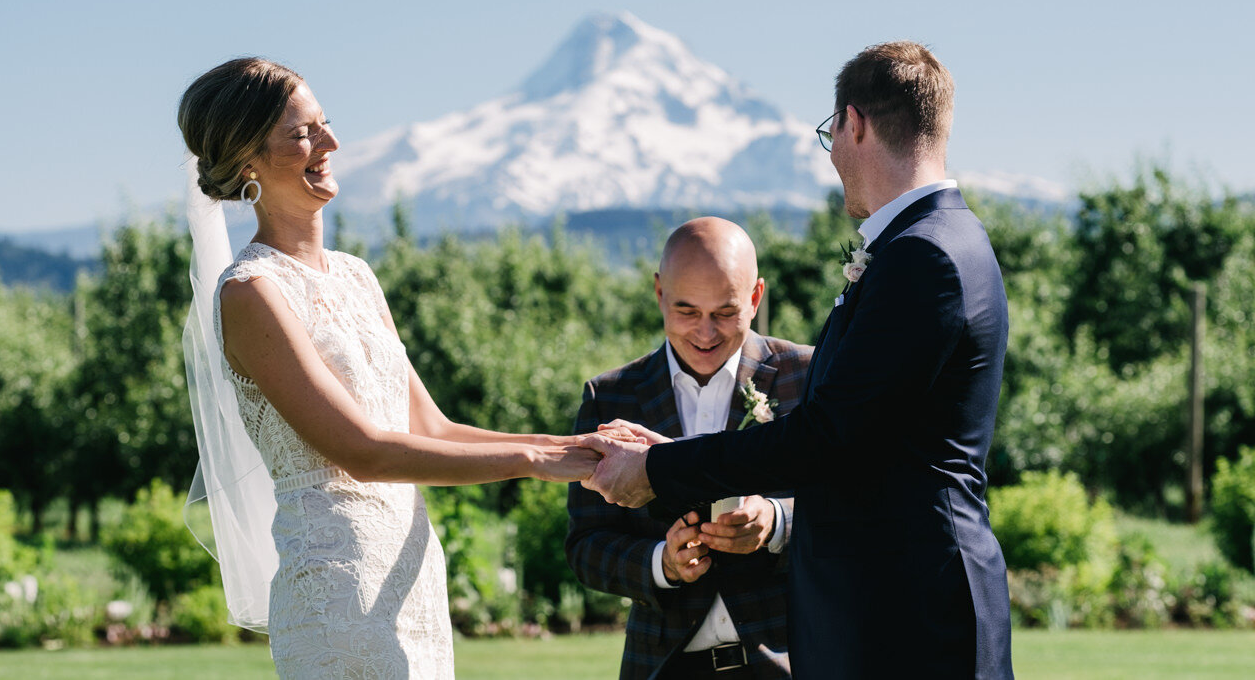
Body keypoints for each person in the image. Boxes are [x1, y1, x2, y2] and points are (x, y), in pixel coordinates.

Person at [584, 42, 1015, 679]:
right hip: (888, 603)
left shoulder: (924, 256)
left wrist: (659, 467)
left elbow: (826, 437)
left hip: (907, 613)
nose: (834, 155)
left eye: (830, 135)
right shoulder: (935, 241)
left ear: (855, 123)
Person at [177, 58, 599, 679]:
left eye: (324, 124)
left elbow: (431, 428)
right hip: (336, 594)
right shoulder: (252, 292)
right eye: (302, 135)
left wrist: (570, 447)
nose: (331, 144)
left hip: (410, 576)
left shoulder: (356, 276)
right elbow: (365, 452)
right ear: (248, 164)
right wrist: (532, 463)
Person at [566, 218, 812, 679]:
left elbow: (857, 502)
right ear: (659, 293)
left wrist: (778, 522)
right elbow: (586, 545)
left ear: (755, 297)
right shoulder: (612, 396)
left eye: (724, 312)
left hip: (790, 662)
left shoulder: (808, 374)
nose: (705, 333)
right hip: (663, 666)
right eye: (686, 311)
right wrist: (661, 563)